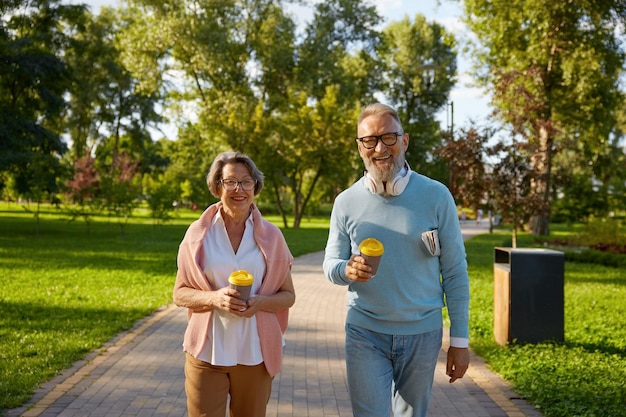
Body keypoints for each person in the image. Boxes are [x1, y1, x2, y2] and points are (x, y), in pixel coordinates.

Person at [323, 103, 470, 417]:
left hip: (423, 333)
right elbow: (330, 264)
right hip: (364, 332)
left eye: (389, 138)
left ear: (404, 141)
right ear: (360, 148)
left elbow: (455, 272)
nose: (379, 148)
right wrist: (346, 269)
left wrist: (459, 339)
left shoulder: (437, 195)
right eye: (369, 141)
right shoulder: (345, 202)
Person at [173, 151, 296, 417]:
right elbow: (180, 294)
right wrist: (214, 298)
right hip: (207, 351)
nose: (239, 189)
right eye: (230, 182)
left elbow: (288, 296)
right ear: (217, 186)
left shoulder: (272, 236)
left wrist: (261, 302)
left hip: (255, 352)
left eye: (246, 182)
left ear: (255, 187)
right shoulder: (198, 234)